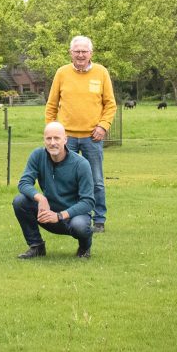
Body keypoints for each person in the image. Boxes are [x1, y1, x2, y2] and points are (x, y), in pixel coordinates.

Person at [44, 35, 116, 233]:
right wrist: (53, 132)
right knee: (65, 179)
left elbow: (110, 104)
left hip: (92, 138)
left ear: (91, 53)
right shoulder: (62, 73)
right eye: (77, 51)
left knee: (96, 180)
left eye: (84, 51)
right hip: (65, 139)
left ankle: (99, 220)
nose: (81, 55)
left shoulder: (101, 72)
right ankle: (65, 217)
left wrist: (103, 126)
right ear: (71, 53)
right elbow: (51, 105)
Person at [13, 122, 94, 259]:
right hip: (48, 213)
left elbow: (88, 202)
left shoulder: (81, 164)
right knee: (20, 201)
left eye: (57, 138)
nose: (52, 143)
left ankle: (84, 248)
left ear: (65, 140)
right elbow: (24, 183)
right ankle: (36, 246)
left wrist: (60, 215)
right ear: (44, 140)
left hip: (72, 216)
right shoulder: (38, 155)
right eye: (48, 138)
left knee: (80, 226)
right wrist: (40, 198)